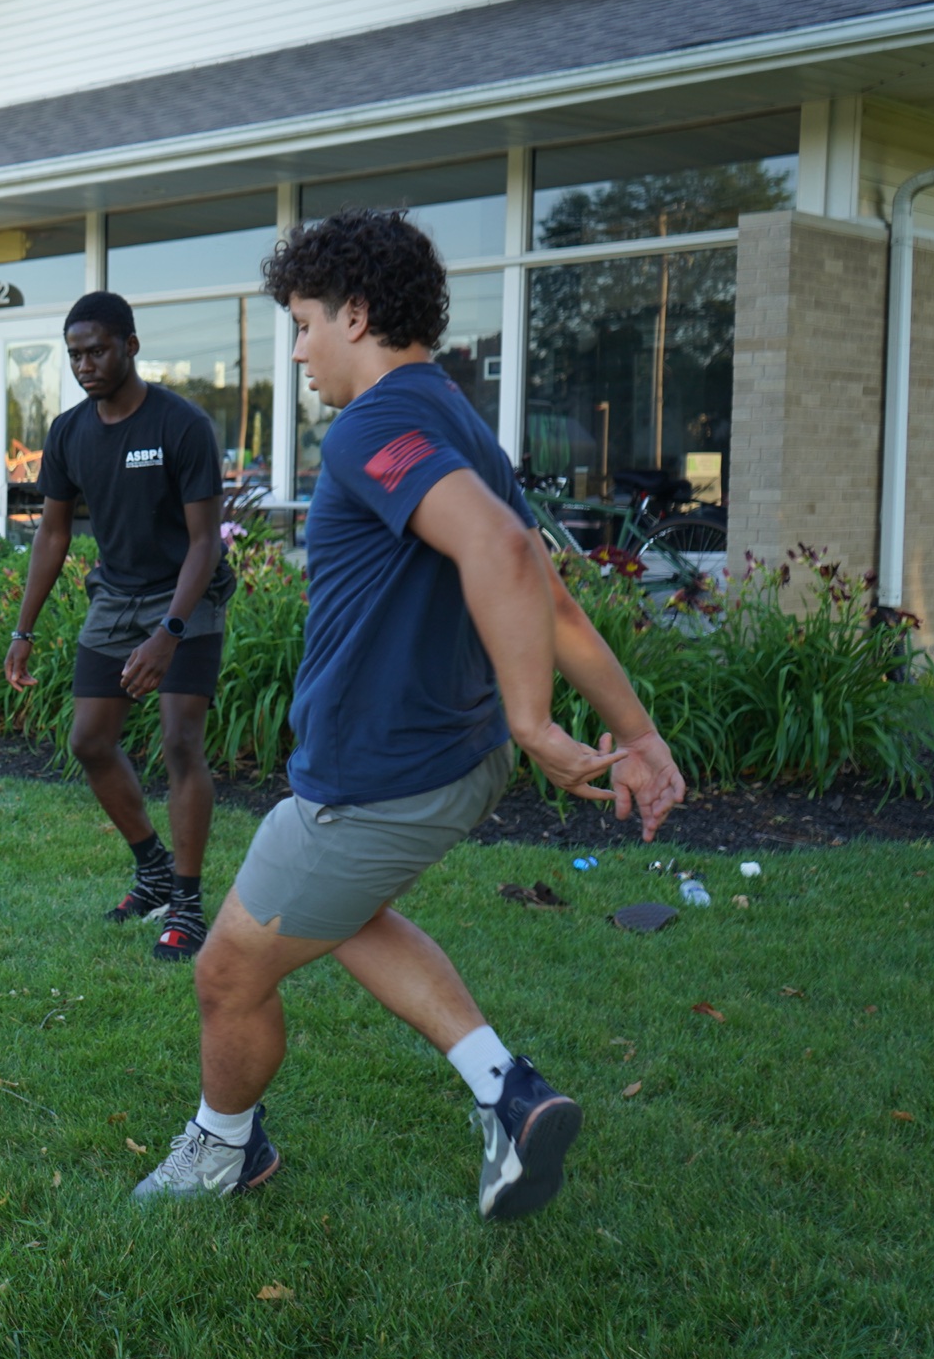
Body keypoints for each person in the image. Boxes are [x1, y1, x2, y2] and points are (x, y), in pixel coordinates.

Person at [128, 210, 684, 1219]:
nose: (299, 351)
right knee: (340, 913)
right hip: (451, 759)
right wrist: (638, 735)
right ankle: (508, 1094)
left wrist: (534, 720)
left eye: (304, 325)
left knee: (226, 972)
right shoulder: (453, 417)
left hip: (379, 771)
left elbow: (504, 556)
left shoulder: (375, 425)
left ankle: (224, 1150)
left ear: (356, 314)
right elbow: (552, 600)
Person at [6, 291, 236, 957]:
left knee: (181, 741)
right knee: (89, 741)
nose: (86, 365)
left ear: (130, 346)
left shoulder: (181, 425)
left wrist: (169, 632)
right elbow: (52, 534)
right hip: (115, 597)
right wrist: (22, 631)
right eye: (75, 354)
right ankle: (153, 869)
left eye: (98, 350)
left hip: (188, 594)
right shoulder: (69, 432)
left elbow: (205, 542)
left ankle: (186, 903)